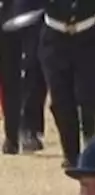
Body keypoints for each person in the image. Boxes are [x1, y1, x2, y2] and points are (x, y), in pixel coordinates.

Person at [38, 0, 95, 168]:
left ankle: (91, 139)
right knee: (61, 102)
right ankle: (71, 154)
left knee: (88, 96)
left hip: (88, 43)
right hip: (54, 43)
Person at [0, 0, 49, 155]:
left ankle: (30, 127)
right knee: (9, 75)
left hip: (34, 10)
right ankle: (12, 134)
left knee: (34, 67)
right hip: (4, 13)